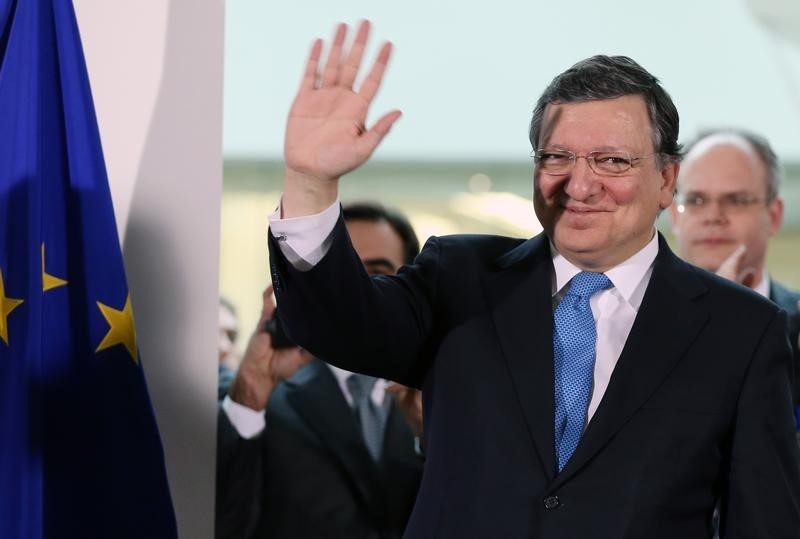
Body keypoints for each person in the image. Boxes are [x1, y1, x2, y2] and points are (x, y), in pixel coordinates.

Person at [268, 21, 800, 537]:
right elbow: (335, 324)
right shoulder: (458, 279)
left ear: (666, 180)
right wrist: (311, 183)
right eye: (557, 157)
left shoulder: (743, 331)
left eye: (611, 160)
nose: (580, 184)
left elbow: (763, 519)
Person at [216, 201, 424, 539]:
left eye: (377, 274)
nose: (357, 291)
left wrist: (429, 438)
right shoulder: (266, 394)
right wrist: (252, 390)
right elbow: (221, 516)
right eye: (343, 272)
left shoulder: (443, 393)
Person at [669, 129, 800, 414]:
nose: (714, 216)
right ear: (675, 216)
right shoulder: (632, 324)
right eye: (696, 201)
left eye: (736, 200)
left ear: (774, 216)